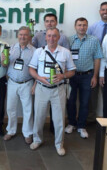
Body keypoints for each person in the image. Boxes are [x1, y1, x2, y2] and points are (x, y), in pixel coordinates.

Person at [29, 27, 75, 156]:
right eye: (49, 36)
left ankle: (59, 144)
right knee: (38, 117)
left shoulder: (65, 52)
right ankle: (37, 140)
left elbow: (72, 71)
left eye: (54, 36)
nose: (51, 38)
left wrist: (62, 76)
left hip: (58, 90)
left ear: (58, 37)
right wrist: (39, 78)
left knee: (59, 119)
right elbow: (31, 69)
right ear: (45, 37)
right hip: (41, 89)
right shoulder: (39, 52)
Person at [32, 13, 70, 133]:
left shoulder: (63, 39)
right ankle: (38, 137)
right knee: (39, 113)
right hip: (42, 82)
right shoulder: (38, 37)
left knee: (58, 114)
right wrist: (36, 82)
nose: (49, 23)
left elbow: (67, 64)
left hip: (58, 82)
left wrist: (63, 77)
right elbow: (35, 65)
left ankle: (55, 132)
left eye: (52, 21)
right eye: (47, 21)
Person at [65, 18, 103, 139]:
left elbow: (97, 58)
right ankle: (71, 123)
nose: (82, 27)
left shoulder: (94, 40)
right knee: (70, 101)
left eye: (84, 25)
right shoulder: (69, 40)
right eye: (79, 25)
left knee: (85, 102)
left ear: (87, 27)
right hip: (71, 75)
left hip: (87, 76)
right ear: (75, 26)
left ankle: (81, 126)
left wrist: (95, 76)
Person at [3, 26, 36, 144]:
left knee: (28, 109)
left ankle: (27, 133)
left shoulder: (34, 51)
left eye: (25, 35)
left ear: (29, 36)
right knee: (10, 108)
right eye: (21, 34)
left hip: (27, 83)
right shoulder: (10, 48)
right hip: (12, 82)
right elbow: (4, 64)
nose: (23, 37)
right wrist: (3, 59)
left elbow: (37, 69)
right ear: (18, 35)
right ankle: (11, 130)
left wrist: (35, 84)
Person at [87, 2, 107, 123]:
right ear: (99, 11)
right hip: (94, 64)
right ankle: (90, 120)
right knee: (92, 94)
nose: (105, 12)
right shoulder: (93, 27)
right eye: (103, 10)